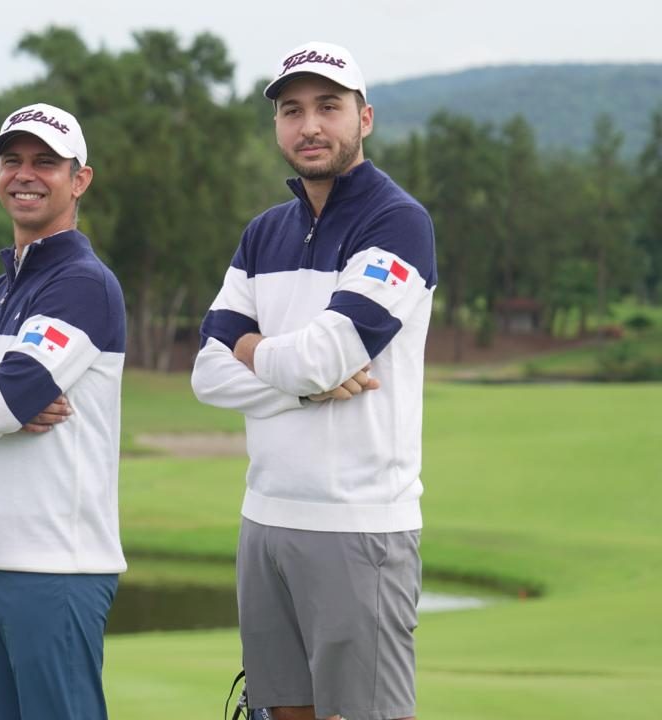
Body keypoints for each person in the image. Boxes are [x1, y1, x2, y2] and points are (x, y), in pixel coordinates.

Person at [191, 41, 437, 720]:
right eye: (292, 110)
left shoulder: (398, 223)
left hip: (359, 528)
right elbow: (206, 374)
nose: (310, 125)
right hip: (262, 522)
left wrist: (245, 344)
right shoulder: (264, 233)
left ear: (365, 118)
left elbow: (319, 358)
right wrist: (299, 382)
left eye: (328, 106)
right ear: (277, 126)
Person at [0, 103, 126, 720]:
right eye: (12, 160)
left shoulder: (83, 282)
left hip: (57, 565)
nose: (25, 174)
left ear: (78, 179)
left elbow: (10, 395)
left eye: (46, 162)